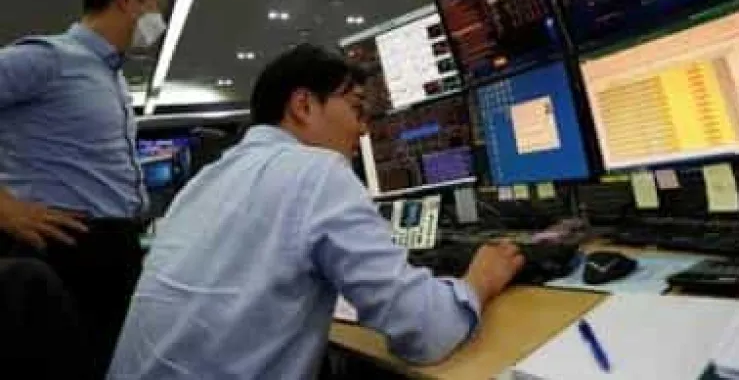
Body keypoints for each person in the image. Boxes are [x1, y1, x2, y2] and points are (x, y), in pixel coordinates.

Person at [109, 45, 524, 380]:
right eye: (356, 108)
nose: (363, 129)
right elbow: (424, 332)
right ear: (303, 105)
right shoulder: (318, 171)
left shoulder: (204, 181)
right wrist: (480, 280)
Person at [0, 0, 167, 377]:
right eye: (155, 3)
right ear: (127, 0)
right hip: (63, 245)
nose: (158, 18)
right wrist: (4, 207)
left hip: (114, 246)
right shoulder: (47, 58)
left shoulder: (111, 76)